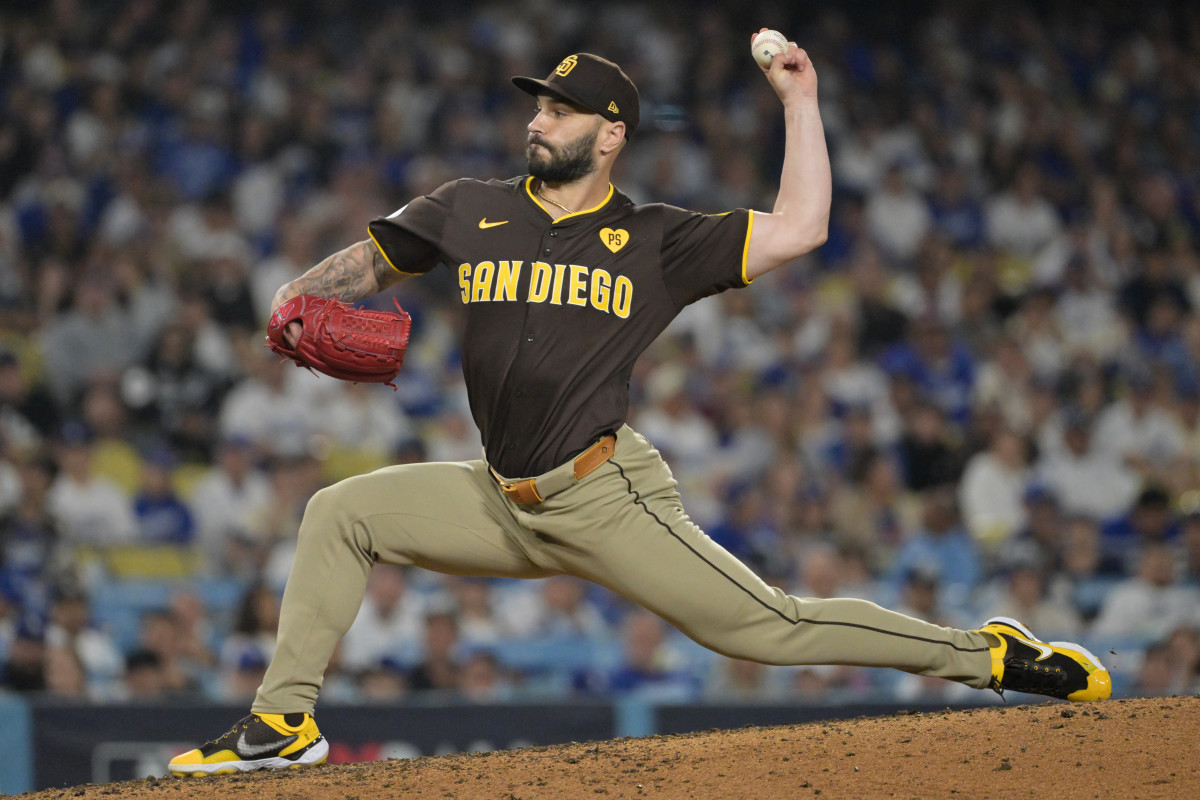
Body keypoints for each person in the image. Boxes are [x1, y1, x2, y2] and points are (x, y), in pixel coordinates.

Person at [169, 37, 1110, 778]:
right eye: (538, 104)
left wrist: (801, 103)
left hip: (604, 494)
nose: (540, 120)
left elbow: (802, 229)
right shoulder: (471, 206)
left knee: (767, 627)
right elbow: (379, 257)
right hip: (501, 495)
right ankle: (282, 722)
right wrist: (297, 292)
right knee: (340, 513)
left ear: (610, 133)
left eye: (561, 109)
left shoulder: (653, 239)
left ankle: (985, 655)